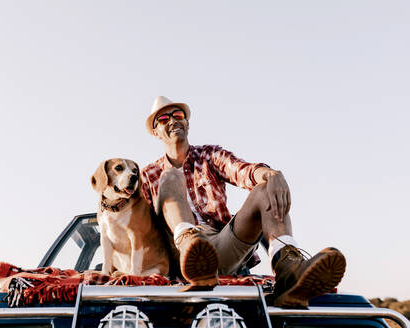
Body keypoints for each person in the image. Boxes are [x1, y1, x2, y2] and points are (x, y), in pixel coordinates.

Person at [141, 96, 346, 308]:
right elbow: (141, 229)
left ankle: (289, 270)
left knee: (265, 188)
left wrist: (271, 174)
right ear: (156, 133)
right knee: (170, 176)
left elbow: (241, 170)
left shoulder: (209, 155)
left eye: (178, 115)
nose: (173, 121)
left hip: (221, 245)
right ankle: (191, 247)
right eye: (164, 118)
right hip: (178, 253)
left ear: (187, 123)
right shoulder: (148, 175)